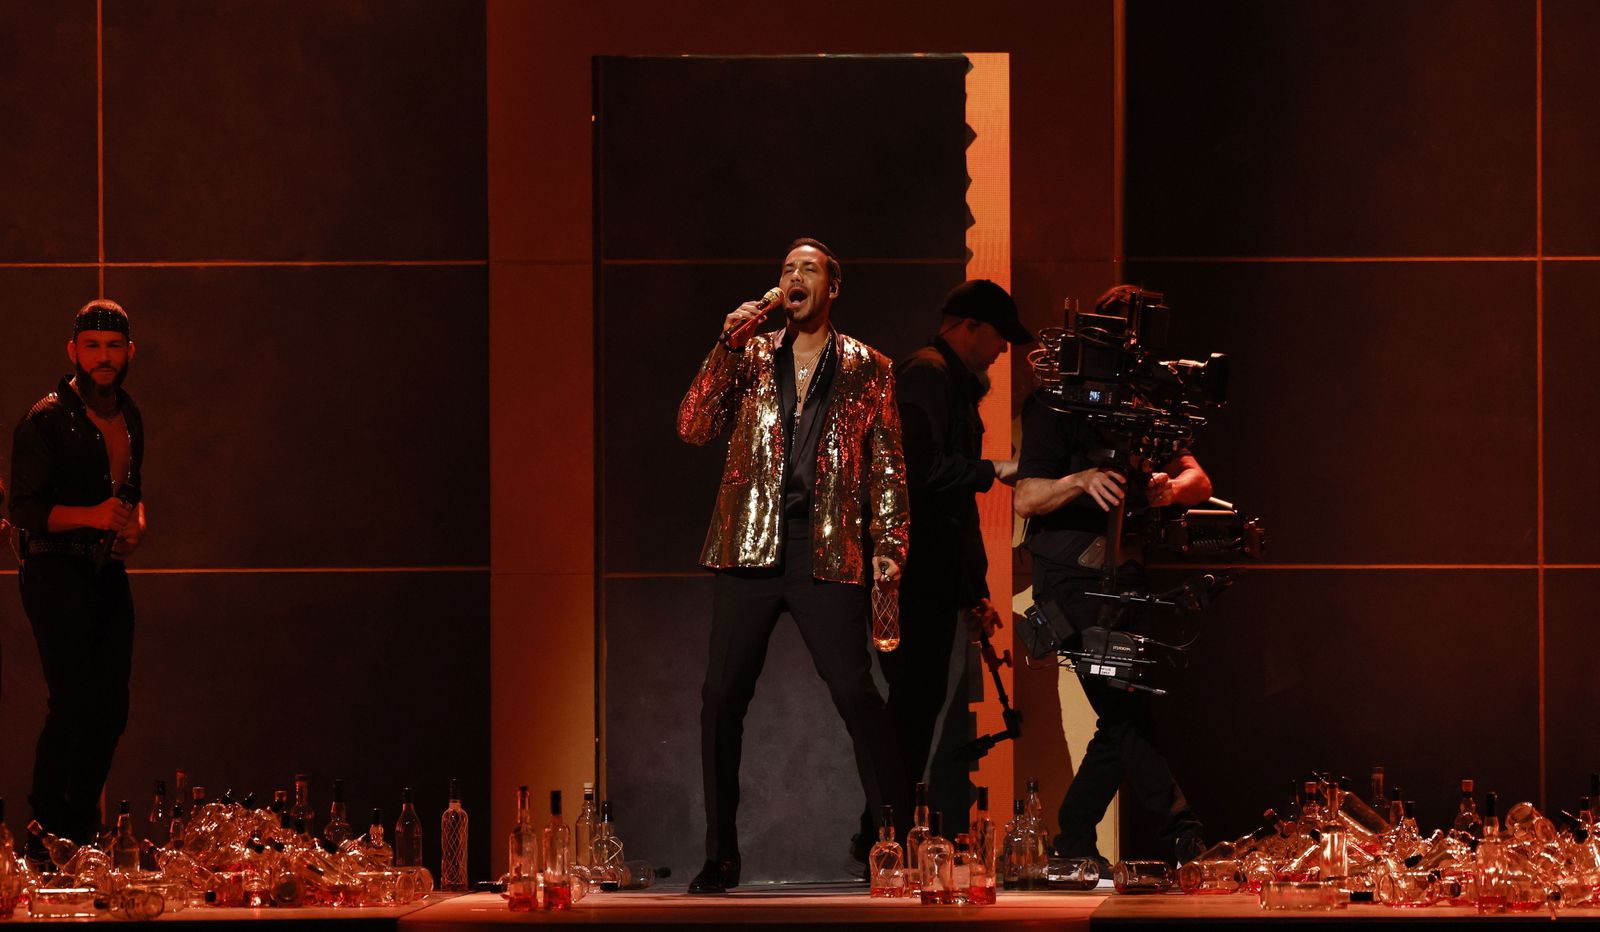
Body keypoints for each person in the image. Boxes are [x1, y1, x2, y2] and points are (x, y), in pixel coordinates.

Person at [677, 238, 910, 893]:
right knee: (719, 700)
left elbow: (890, 480)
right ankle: (721, 855)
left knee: (857, 694)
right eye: (786, 268)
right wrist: (724, 346)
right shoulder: (749, 354)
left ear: (832, 287)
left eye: (808, 268)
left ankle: (891, 843)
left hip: (825, 549)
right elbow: (693, 426)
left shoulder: (870, 368)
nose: (794, 276)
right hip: (749, 547)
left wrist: (887, 577)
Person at [1013, 285, 1210, 867]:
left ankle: (1072, 840)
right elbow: (1025, 497)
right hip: (1071, 581)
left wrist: (1167, 488)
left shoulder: (1148, 407)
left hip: (1123, 577)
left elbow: (1200, 479)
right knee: (1124, 710)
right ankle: (1185, 836)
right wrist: (1081, 480)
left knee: (1121, 714)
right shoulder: (1054, 403)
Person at [883, 280, 1031, 829]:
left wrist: (975, 593)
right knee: (912, 707)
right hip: (912, 574)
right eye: (998, 337)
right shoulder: (926, 374)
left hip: (934, 575)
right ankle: (882, 831)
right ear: (969, 326)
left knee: (918, 707)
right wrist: (998, 469)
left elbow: (956, 510)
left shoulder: (948, 380)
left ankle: (883, 830)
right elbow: (922, 474)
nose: (1001, 350)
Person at [8, 299, 148, 860]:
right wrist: (93, 515)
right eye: (92, 346)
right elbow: (23, 509)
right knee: (73, 700)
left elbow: (133, 490)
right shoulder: (44, 419)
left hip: (104, 568)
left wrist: (135, 524)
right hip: (52, 566)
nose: (103, 357)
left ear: (129, 353)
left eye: (113, 346)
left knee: (112, 706)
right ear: (73, 352)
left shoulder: (129, 414)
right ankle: (47, 829)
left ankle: (79, 826)